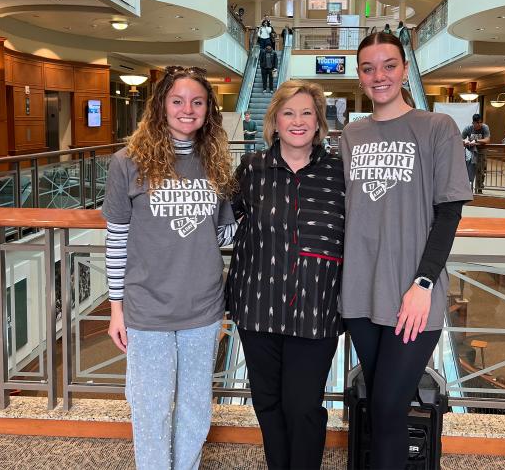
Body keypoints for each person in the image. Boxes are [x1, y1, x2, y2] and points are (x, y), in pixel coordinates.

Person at [340, 32, 472, 469]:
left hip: (414, 296)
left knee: (388, 408)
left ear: (404, 69)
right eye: (368, 68)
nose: (379, 76)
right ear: (359, 77)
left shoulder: (437, 128)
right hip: (360, 293)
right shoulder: (351, 135)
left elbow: (448, 214)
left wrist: (423, 283)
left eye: (389, 65)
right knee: (381, 406)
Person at [103, 66, 237, 470]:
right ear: (161, 105)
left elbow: (225, 235)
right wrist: (116, 308)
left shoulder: (215, 162)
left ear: (208, 110)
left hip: (203, 308)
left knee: (195, 407)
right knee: (150, 408)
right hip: (147, 309)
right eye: (177, 101)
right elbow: (116, 240)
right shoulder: (126, 162)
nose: (187, 109)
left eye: (197, 102)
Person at [226, 80, 345, 470]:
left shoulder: (339, 173)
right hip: (257, 304)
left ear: (319, 121)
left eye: (307, 113)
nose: (298, 121)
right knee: (268, 402)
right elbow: (223, 224)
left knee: (304, 405)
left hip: (317, 308)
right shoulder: (251, 169)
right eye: (289, 113)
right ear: (274, 120)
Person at [462, 113, 491, 193]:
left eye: (480, 122)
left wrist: (476, 141)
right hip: (471, 152)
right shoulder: (468, 128)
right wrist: (465, 141)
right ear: (473, 123)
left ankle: (479, 188)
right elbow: (460, 138)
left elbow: (487, 140)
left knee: (481, 170)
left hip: (482, 152)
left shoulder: (485, 127)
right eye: (477, 123)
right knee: (470, 169)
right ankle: (468, 188)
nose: (479, 124)